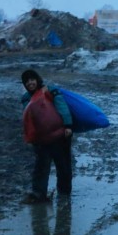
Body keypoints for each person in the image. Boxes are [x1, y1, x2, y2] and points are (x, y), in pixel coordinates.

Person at [21, 69, 73, 204]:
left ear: (37, 79)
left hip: (60, 136)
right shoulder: (26, 99)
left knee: (63, 166)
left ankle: (64, 194)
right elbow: (29, 119)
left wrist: (68, 125)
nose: (30, 82)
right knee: (41, 167)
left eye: (32, 79)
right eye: (27, 81)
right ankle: (39, 194)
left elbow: (62, 107)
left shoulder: (51, 90)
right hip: (41, 140)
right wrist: (30, 137)